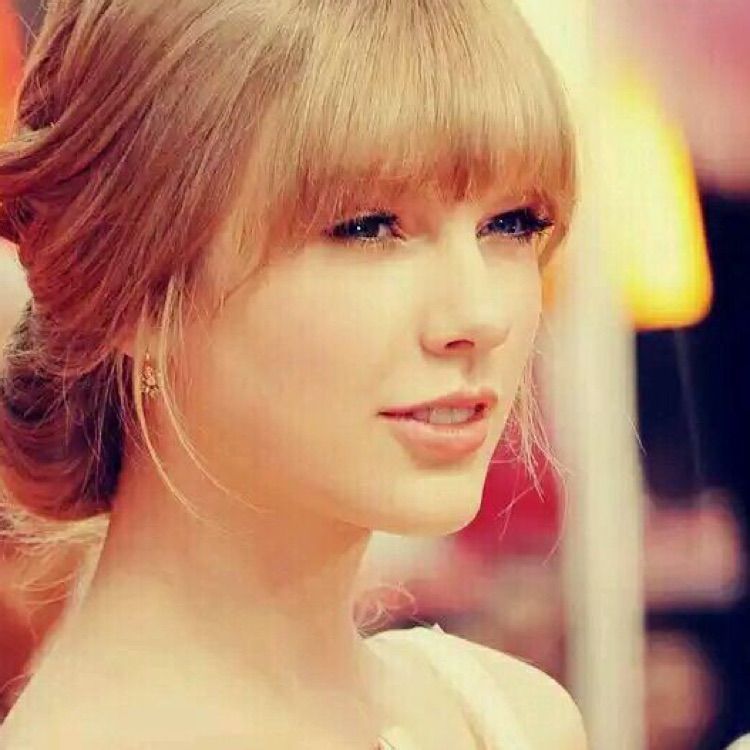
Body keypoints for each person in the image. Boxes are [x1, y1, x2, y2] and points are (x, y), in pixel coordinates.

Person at [0, 0, 583, 747]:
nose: (479, 315)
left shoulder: (509, 716)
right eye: (367, 227)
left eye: (512, 223)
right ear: (130, 292)